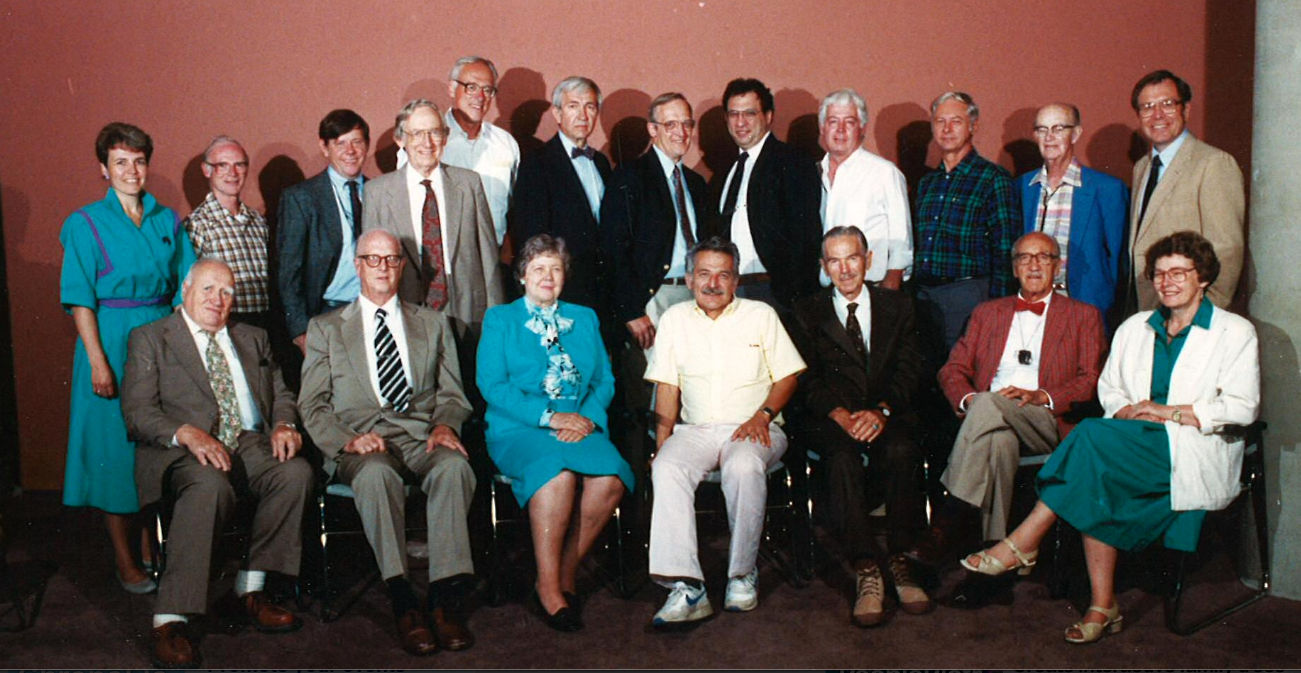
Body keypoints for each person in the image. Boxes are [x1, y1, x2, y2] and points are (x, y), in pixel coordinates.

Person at [962, 231, 1258, 644]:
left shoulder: (1234, 331)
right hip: (1128, 439)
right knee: (1096, 461)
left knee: (1091, 443)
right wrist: (1128, 411)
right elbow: (1110, 388)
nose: (1167, 282)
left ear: (1203, 277)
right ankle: (1103, 605)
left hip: (1190, 449)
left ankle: (1024, 541)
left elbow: (1243, 407)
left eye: (1179, 273)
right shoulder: (1136, 326)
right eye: (1159, 274)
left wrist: (1167, 413)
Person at [122, 259, 310, 669]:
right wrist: (187, 433)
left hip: (247, 442)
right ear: (185, 290)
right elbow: (137, 412)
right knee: (210, 485)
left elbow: (281, 390)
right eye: (208, 289)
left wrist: (283, 423)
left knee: (294, 473)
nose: (217, 299)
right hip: (183, 451)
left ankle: (251, 588)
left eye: (226, 292)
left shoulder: (253, 337)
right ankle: (170, 617)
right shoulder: (151, 338)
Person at [298, 229, 477, 656]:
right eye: (373, 259)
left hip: (420, 435)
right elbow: (313, 405)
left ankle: (442, 599)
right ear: (357, 266)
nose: (383, 268)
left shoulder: (433, 323)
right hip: (363, 442)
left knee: (455, 467)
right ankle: (402, 599)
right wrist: (347, 441)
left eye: (392, 260)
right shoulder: (326, 329)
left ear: (402, 267)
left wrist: (445, 426)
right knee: (377, 475)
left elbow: (453, 395)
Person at [907, 232, 1105, 573]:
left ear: (1057, 266)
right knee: (997, 438)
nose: (1033, 265)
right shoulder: (987, 313)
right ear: (1014, 268)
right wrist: (970, 401)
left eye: (1043, 257)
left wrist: (1042, 396)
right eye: (1025, 258)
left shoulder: (1083, 315)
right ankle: (994, 555)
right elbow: (952, 369)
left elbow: (1092, 379)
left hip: (1045, 418)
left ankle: (948, 517)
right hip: (990, 416)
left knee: (989, 407)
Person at [58, 122, 195, 596]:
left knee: (155, 451)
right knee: (116, 455)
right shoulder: (85, 222)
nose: (131, 170)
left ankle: (152, 547)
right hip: (110, 343)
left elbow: (187, 287)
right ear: (104, 169)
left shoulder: (166, 220)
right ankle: (125, 558)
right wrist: (97, 361)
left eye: (138, 161)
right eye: (120, 162)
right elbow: (80, 300)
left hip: (160, 340)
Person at [644, 237, 806, 626]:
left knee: (744, 466)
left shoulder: (760, 314)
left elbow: (788, 375)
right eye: (704, 274)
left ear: (736, 281)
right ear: (688, 278)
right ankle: (687, 587)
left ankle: (741, 574)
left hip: (756, 426)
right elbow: (667, 387)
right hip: (695, 429)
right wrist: (662, 447)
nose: (713, 283)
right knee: (666, 468)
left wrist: (763, 414)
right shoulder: (675, 319)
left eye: (723, 275)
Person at [476, 234, 633, 632]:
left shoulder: (585, 317)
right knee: (556, 476)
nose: (548, 276)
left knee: (611, 478)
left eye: (556, 268)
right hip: (520, 427)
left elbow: (604, 379)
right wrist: (550, 418)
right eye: (539, 268)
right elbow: (492, 385)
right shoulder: (500, 319)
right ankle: (548, 588)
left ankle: (564, 572)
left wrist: (589, 419)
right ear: (522, 275)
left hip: (580, 423)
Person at [790, 227, 928, 627]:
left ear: (868, 260)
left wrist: (882, 410)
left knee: (903, 450)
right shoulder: (806, 311)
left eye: (852, 258)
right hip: (833, 418)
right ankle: (867, 566)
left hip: (888, 412)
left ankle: (901, 560)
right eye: (834, 260)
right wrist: (837, 413)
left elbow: (911, 367)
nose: (845, 269)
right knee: (841, 457)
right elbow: (803, 377)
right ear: (824, 267)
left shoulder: (898, 305)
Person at [600, 92, 709, 480]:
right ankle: (645, 502)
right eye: (671, 124)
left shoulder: (695, 182)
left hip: (696, 299)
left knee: (692, 396)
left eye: (687, 124)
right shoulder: (630, 178)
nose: (681, 132)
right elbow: (613, 250)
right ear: (652, 130)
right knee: (650, 399)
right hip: (652, 300)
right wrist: (633, 310)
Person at [362, 99, 502, 338]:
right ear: (401, 140)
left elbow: (488, 258)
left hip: (467, 311)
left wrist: (498, 319)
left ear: (445, 138)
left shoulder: (469, 184)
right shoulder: (377, 192)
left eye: (434, 132)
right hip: (405, 310)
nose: (426, 143)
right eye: (416, 133)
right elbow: (371, 267)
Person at [1124, 70, 1245, 313]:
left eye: (1167, 104)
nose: (1157, 114)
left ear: (1186, 110)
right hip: (1148, 308)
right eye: (1147, 107)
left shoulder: (1213, 163)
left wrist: (1202, 315)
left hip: (1189, 316)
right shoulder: (1142, 167)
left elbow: (1227, 250)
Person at [913, 91, 1020, 354]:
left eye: (956, 121)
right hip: (924, 295)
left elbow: (1006, 249)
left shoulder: (993, 179)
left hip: (968, 294)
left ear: (973, 126)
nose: (947, 129)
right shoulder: (928, 183)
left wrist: (1000, 309)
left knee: (961, 373)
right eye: (940, 122)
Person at [708, 77, 821, 311]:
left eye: (749, 113)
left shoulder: (793, 162)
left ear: (768, 116)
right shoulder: (723, 173)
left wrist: (794, 297)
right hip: (730, 292)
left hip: (776, 293)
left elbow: (806, 237)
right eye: (733, 114)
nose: (741, 122)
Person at [509, 77, 612, 312]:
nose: (583, 115)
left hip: (603, 292)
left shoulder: (602, 163)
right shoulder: (537, 163)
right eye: (573, 106)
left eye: (590, 107)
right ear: (557, 113)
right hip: (562, 292)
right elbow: (530, 238)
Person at [1016, 104, 1127, 319]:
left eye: (1058, 129)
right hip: (1031, 308)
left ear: (1075, 134)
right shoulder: (1022, 187)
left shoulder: (1107, 189)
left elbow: (1118, 261)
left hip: (1085, 309)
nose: (1049, 137)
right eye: (1042, 129)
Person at [276, 109, 371, 359]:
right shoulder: (302, 198)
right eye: (340, 143)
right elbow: (288, 271)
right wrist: (300, 331)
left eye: (357, 142)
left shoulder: (380, 192)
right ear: (324, 147)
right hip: (326, 315)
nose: (350, 151)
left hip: (373, 314)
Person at [817, 89, 912, 290]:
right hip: (827, 290)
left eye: (849, 122)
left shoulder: (885, 173)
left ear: (862, 128)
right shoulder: (814, 174)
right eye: (833, 121)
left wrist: (890, 288)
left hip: (872, 288)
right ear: (822, 127)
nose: (841, 130)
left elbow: (901, 241)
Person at [184, 135, 273, 329]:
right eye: (222, 165)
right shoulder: (198, 224)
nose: (232, 173)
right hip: (227, 322)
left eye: (239, 165)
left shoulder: (257, 221)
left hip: (265, 322)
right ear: (207, 170)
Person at [442, 56, 520, 255]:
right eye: (471, 87)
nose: (480, 96)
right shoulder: (429, 141)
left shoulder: (505, 144)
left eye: (487, 90)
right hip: (443, 262)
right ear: (451, 88)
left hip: (493, 259)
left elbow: (514, 210)